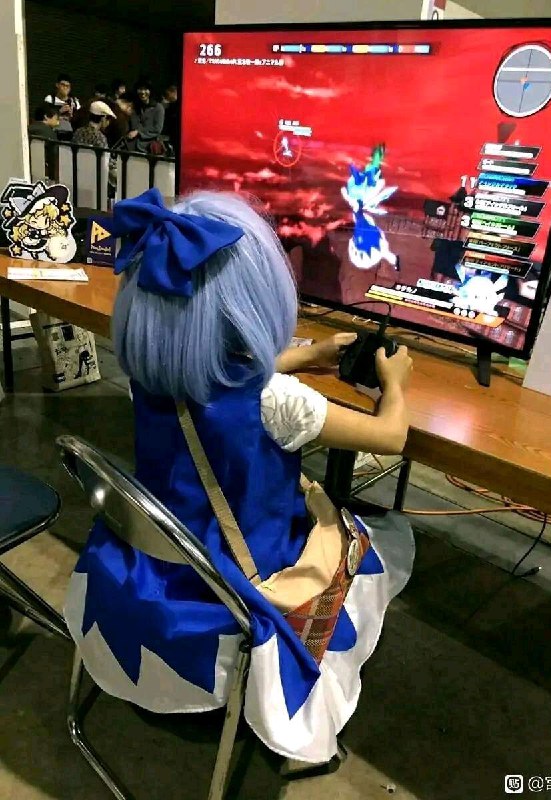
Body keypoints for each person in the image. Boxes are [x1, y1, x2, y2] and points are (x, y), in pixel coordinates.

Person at [63, 188, 415, 763]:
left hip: (152, 555)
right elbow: (391, 436)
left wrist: (302, 357)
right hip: (235, 577)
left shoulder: (148, 375)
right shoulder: (278, 401)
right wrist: (395, 382)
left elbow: (208, 373)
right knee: (366, 537)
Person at [130, 79, 165, 147]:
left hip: (150, 146)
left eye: (146, 89)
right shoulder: (135, 107)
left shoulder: (158, 108)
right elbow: (134, 125)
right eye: (140, 89)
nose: (143, 92)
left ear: (150, 91)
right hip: (133, 144)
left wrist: (138, 132)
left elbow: (157, 129)